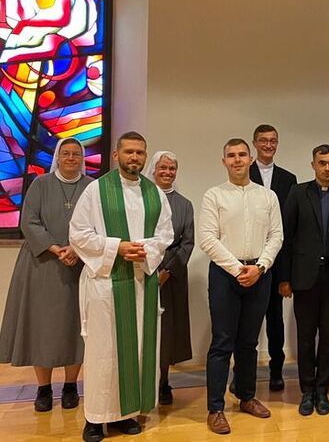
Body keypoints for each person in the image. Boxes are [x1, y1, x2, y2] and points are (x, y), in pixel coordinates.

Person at [69, 131, 174, 442]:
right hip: (106, 285)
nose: (135, 158)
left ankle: (126, 414)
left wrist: (145, 249)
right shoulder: (96, 191)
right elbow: (78, 234)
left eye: (140, 152)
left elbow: (165, 234)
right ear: (116, 155)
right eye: (129, 152)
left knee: (138, 347)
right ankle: (95, 418)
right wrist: (117, 247)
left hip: (141, 282)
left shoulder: (156, 194)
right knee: (104, 352)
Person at [198, 138, 283, 434]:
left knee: (249, 342)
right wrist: (238, 269)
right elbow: (207, 239)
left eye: (241, 155)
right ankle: (216, 408)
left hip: (259, 273)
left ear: (250, 159)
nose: (236, 160)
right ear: (224, 161)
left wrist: (259, 268)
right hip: (225, 275)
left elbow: (277, 237)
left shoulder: (267, 197)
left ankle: (246, 395)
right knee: (222, 342)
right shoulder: (214, 196)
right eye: (230, 155)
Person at [0, 138, 90, 413]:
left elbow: (99, 222)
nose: (71, 158)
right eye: (66, 154)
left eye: (76, 154)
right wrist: (55, 248)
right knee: (43, 327)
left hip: (80, 264)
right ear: (58, 157)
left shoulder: (91, 187)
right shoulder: (41, 184)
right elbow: (29, 220)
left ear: (82, 158)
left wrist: (76, 248)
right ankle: (43, 388)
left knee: (75, 326)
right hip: (42, 265)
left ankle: (72, 385)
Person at [280, 144, 329, 416]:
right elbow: (287, 238)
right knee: (304, 338)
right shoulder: (297, 193)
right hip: (304, 277)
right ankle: (307, 391)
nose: (327, 168)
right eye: (322, 163)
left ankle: (323, 390)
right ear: (313, 165)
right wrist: (285, 278)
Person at [143, 151, 195, 406]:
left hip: (172, 275)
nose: (167, 172)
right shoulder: (141, 198)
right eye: (162, 167)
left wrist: (167, 271)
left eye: (172, 168)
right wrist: (150, 268)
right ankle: (143, 382)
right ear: (153, 169)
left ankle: (164, 381)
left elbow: (187, 243)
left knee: (167, 331)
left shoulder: (184, 204)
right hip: (142, 271)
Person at [249, 124, 297, 391]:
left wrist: (286, 275)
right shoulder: (245, 173)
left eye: (273, 141)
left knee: (275, 320)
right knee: (248, 322)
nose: (268, 145)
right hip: (249, 258)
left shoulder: (288, 179)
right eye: (263, 141)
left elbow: (288, 230)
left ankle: (276, 370)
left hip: (277, 261)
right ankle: (247, 372)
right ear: (254, 143)